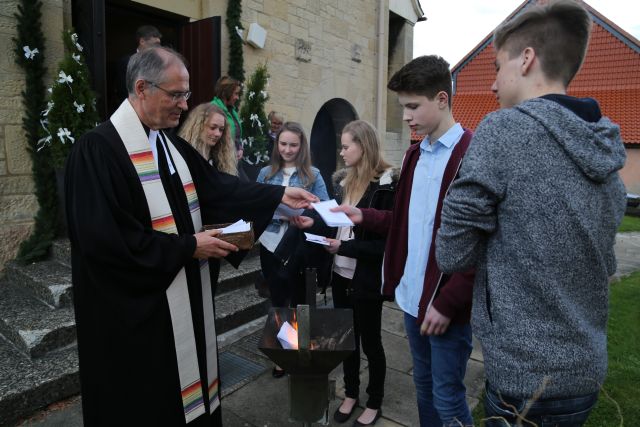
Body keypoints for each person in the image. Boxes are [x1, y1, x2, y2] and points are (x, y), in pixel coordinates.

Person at [65, 46, 317, 427]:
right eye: (177, 94)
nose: (185, 105)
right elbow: (106, 242)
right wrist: (189, 246)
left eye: (186, 95)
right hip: (139, 319)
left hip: (184, 299)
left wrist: (278, 197)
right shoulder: (97, 151)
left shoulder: (172, 147)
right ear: (141, 88)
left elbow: (219, 191)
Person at [435, 1, 627, 425]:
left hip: (523, 382)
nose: (492, 85)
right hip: (586, 375)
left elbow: (452, 253)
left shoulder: (502, 130)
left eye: (497, 66)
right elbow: (604, 262)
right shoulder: (605, 150)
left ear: (526, 59)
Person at [332, 56, 475, 426]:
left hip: (445, 304)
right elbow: (406, 222)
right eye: (403, 107)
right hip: (412, 298)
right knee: (424, 389)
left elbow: (481, 241)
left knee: (448, 396)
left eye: (413, 106)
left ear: (442, 99)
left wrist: (449, 301)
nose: (407, 116)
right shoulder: (415, 153)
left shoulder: (471, 154)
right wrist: (365, 215)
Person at [322, 120, 397, 426]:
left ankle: (374, 401)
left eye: (345, 146)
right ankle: (351, 393)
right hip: (340, 274)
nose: (341, 152)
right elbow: (340, 226)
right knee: (346, 339)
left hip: (365, 278)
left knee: (371, 343)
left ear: (363, 146)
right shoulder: (345, 182)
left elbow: (384, 247)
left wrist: (343, 248)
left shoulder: (386, 186)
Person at [256, 121, 329, 378]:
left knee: (300, 299)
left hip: (299, 244)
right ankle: (283, 352)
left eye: (293, 145)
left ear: (302, 146)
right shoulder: (265, 173)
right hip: (271, 243)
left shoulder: (313, 175)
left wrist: (307, 214)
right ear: (277, 144)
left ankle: (300, 349)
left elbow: (325, 210)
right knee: (278, 298)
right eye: (283, 144)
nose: (288, 149)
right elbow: (256, 207)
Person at [178, 103, 238, 176]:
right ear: (198, 127)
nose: (217, 134)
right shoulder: (184, 154)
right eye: (213, 128)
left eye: (221, 129)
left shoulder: (221, 157)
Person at [115, 25, 162, 103]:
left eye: (159, 44)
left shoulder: (159, 62)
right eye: (155, 44)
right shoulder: (126, 61)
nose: (158, 47)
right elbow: (123, 90)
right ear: (142, 41)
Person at [211, 76, 243, 162]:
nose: (237, 97)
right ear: (226, 93)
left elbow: (237, 136)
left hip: (234, 160)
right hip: (221, 161)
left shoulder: (232, 111)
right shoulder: (213, 109)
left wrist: (240, 148)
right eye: (235, 93)